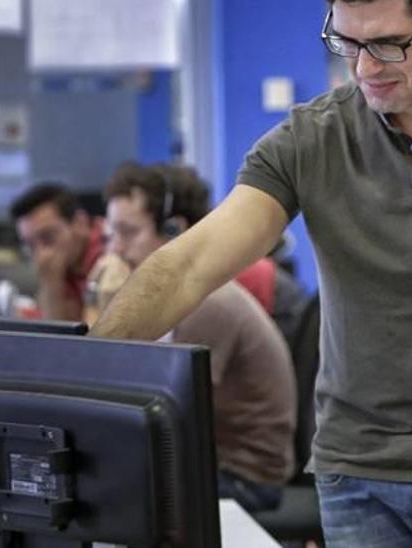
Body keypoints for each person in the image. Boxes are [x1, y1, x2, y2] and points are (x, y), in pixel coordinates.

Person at [91, 0, 412, 543]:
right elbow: (187, 266)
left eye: (388, 44)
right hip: (359, 476)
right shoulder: (311, 139)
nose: (363, 68)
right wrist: (82, 383)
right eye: (347, 42)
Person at [102, 162, 297, 512]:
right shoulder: (177, 303)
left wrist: (106, 306)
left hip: (246, 478)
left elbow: (164, 413)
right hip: (213, 466)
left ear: (174, 232)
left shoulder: (209, 303)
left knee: (117, 499)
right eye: (110, 234)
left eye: (128, 232)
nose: (114, 249)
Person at [10, 183, 105, 322]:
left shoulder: (113, 250)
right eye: (30, 245)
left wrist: (51, 287)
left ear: (80, 222)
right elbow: (58, 335)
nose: (41, 255)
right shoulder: (63, 268)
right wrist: (51, 285)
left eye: (48, 237)